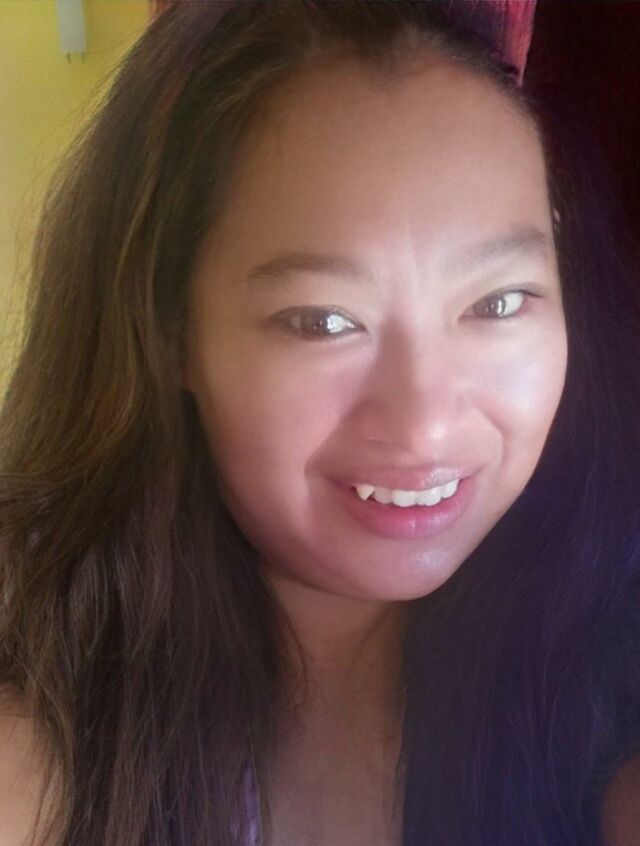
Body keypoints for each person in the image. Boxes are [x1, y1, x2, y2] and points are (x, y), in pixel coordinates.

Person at [1, 2, 639, 844]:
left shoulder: (607, 693)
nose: (426, 424)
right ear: (168, 332)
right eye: (324, 321)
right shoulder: (45, 749)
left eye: (499, 302)